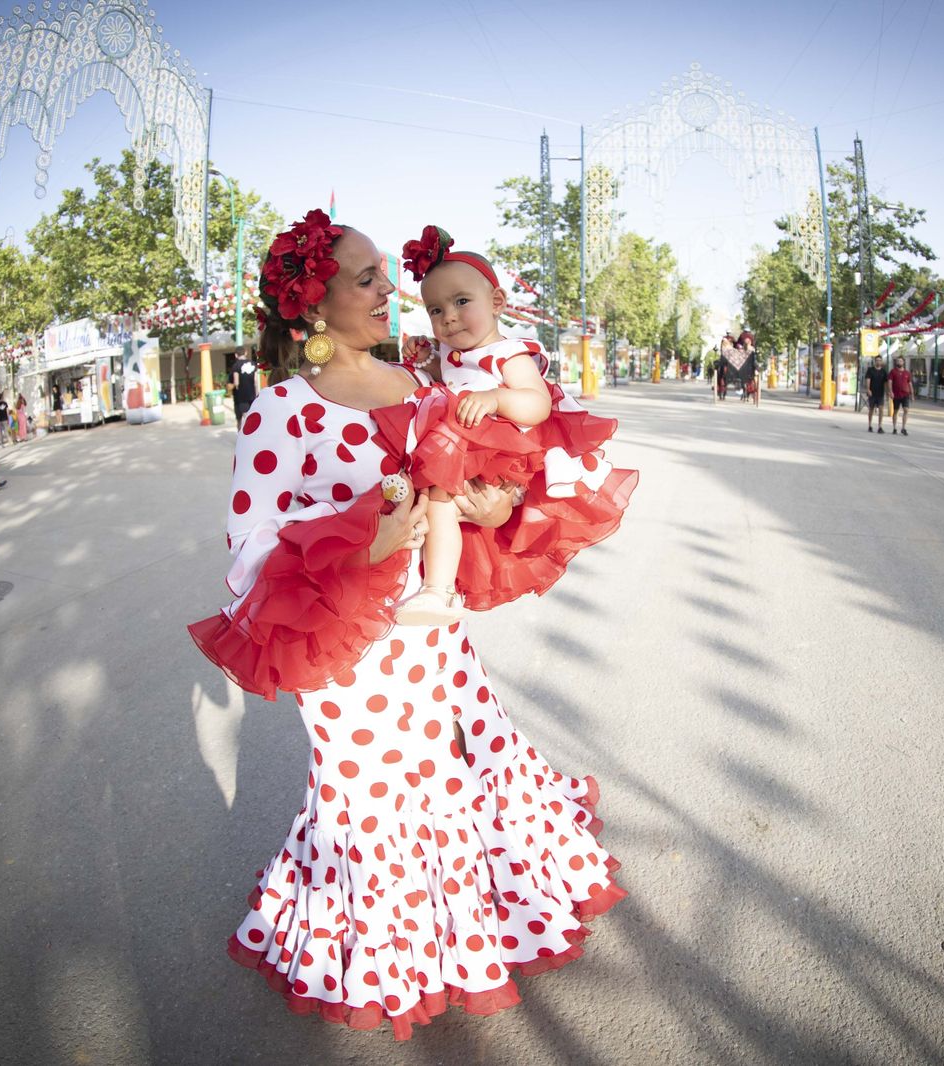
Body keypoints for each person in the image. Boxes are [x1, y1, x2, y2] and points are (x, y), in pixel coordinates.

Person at [188, 211, 623, 1039]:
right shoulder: (281, 409)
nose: (390, 291)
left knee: (449, 773)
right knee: (370, 798)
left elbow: (473, 480)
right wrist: (367, 535)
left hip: (430, 631)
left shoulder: (426, 387)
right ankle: (387, 957)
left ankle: (462, 936)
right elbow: (246, 551)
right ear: (313, 305)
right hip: (347, 648)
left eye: (387, 275)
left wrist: (494, 504)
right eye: (366, 279)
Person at [389, 225, 635, 625]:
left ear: (497, 301)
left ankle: (438, 589)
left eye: (461, 301)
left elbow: (537, 403)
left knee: (442, 500)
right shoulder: (454, 353)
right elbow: (442, 380)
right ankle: (441, 588)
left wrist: (497, 398)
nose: (448, 317)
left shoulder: (508, 353)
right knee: (441, 506)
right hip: (464, 448)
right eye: (435, 310)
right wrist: (423, 356)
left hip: (500, 452)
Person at [230, 350, 259, 427]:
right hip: (252, 396)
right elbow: (256, 381)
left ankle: (240, 436)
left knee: (240, 420)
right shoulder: (253, 364)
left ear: (236, 355)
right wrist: (257, 395)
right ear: (246, 353)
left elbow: (236, 383)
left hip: (240, 397)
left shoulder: (236, 366)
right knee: (251, 418)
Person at [864, 355, 889, 433]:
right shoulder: (870, 370)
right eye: (877, 360)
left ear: (881, 362)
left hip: (880, 393)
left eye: (880, 360)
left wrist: (887, 392)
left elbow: (886, 383)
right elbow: (868, 380)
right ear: (875, 361)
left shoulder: (884, 372)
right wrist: (868, 389)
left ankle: (880, 426)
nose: (878, 361)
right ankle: (870, 425)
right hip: (872, 393)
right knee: (871, 409)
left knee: (881, 410)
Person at [888, 355, 912, 435]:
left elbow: (910, 383)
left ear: (903, 362)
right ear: (896, 362)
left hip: (905, 394)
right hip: (896, 394)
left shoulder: (907, 373)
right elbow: (890, 382)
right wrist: (891, 391)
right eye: (898, 361)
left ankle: (903, 428)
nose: (899, 362)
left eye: (901, 361)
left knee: (906, 410)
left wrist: (912, 394)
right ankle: (894, 428)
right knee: (896, 411)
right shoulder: (893, 371)